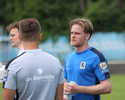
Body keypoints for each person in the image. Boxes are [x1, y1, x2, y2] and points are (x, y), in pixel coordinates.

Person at [2, 18, 64, 100]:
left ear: (20, 37)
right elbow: (59, 98)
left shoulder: (12, 65)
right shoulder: (56, 62)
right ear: (40, 37)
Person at [63, 18, 111, 100]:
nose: (72, 36)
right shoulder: (69, 56)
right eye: (72, 33)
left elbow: (107, 87)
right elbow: (65, 82)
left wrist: (78, 89)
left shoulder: (96, 57)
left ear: (87, 36)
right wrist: (64, 94)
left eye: (77, 33)